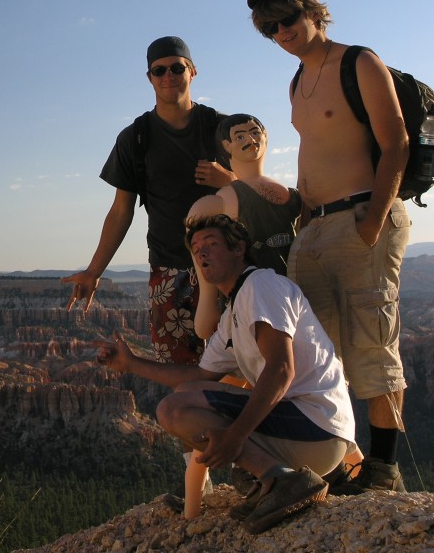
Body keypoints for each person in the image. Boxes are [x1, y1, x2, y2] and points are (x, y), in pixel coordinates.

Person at [247, 0, 410, 493]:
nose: (281, 33)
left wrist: (373, 221)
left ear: (313, 12)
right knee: (319, 355)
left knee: (372, 348)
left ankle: (384, 471)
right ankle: (339, 464)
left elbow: (397, 143)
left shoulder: (358, 62)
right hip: (313, 229)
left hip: (362, 216)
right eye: (269, 28)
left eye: (287, 20)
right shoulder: (297, 82)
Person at [94, 214, 355, 534]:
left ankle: (282, 480)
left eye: (211, 244)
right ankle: (267, 482)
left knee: (172, 408)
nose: (201, 252)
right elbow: (199, 376)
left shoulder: (261, 285)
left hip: (316, 425)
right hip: (305, 432)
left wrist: (235, 436)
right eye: (196, 248)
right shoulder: (234, 311)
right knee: (185, 395)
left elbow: (281, 369)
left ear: (239, 249)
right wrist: (131, 363)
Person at [63, 36, 234, 366]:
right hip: (170, 270)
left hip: (228, 268)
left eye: (176, 68)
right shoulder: (135, 138)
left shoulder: (223, 128)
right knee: (180, 372)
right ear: (150, 77)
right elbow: (121, 210)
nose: (168, 76)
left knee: (238, 372)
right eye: (159, 70)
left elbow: (257, 190)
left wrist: (229, 181)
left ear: (193, 71)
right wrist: (94, 271)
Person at [187, 114, 302, 339]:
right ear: (226, 146)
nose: (250, 139)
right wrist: (208, 305)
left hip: (293, 298)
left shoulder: (293, 196)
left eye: (255, 132)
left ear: (265, 137)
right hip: (248, 303)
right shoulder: (223, 201)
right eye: (240, 136)